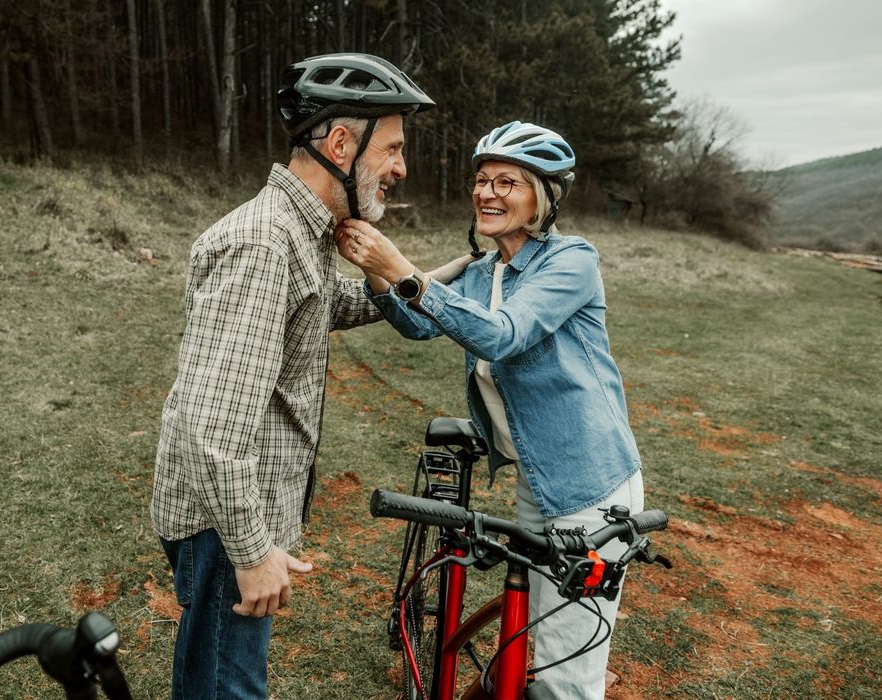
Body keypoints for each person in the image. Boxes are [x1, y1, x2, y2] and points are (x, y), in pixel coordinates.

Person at [149, 53, 438, 699]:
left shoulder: (304, 233)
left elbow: (327, 304)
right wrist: (252, 554)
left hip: (236, 516)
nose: (401, 168)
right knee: (227, 690)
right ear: (341, 142)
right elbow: (214, 429)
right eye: (391, 148)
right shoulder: (264, 243)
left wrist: (430, 279)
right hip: (225, 526)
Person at [335, 121, 644, 700]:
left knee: (565, 674)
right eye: (481, 180)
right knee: (534, 638)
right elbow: (414, 320)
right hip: (540, 482)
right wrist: (373, 266)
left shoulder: (571, 261)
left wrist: (402, 267)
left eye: (508, 182)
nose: (488, 193)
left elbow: (503, 335)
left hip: (590, 484)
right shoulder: (481, 272)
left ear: (542, 200)